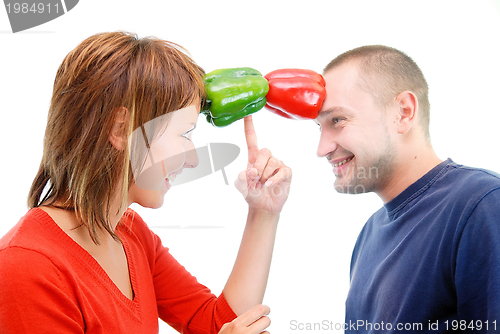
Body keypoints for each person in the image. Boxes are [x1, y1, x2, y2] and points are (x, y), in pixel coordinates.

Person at [0, 31, 292, 334]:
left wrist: (264, 213)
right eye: (184, 134)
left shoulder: (129, 232)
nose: (192, 160)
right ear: (120, 129)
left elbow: (219, 324)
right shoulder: (26, 267)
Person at [315, 45, 500, 333]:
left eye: (337, 120)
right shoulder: (369, 235)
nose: (322, 148)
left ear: (403, 112)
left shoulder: (482, 206)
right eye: (319, 128)